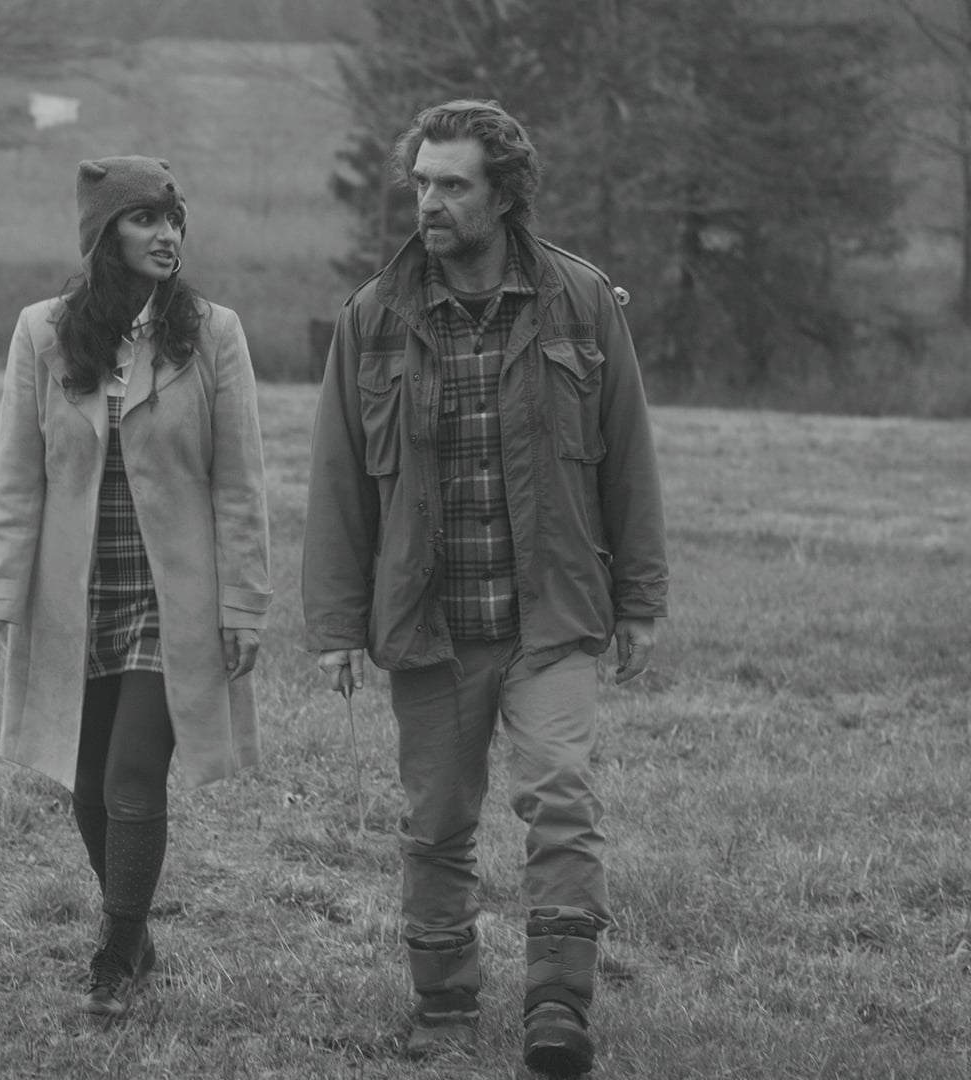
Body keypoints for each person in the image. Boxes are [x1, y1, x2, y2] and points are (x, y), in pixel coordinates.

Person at [301, 100, 667, 1076]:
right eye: (421, 182)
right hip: (429, 625)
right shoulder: (374, 316)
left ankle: (558, 1007)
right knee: (437, 822)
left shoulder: (579, 302)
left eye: (452, 183)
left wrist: (640, 599)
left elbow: (628, 456)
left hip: (550, 613)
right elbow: (338, 482)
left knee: (561, 796)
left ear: (504, 194)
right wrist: (335, 624)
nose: (429, 200)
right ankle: (445, 1002)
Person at [0, 155, 272, 1020]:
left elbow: (242, 483)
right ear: (105, 235)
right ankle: (135, 936)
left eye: (174, 219)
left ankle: (114, 952)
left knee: (136, 774)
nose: (167, 234)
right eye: (145, 220)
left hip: (175, 599)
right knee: (89, 783)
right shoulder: (44, 333)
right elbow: (17, 479)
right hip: (77, 594)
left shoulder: (213, 333)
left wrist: (245, 603)